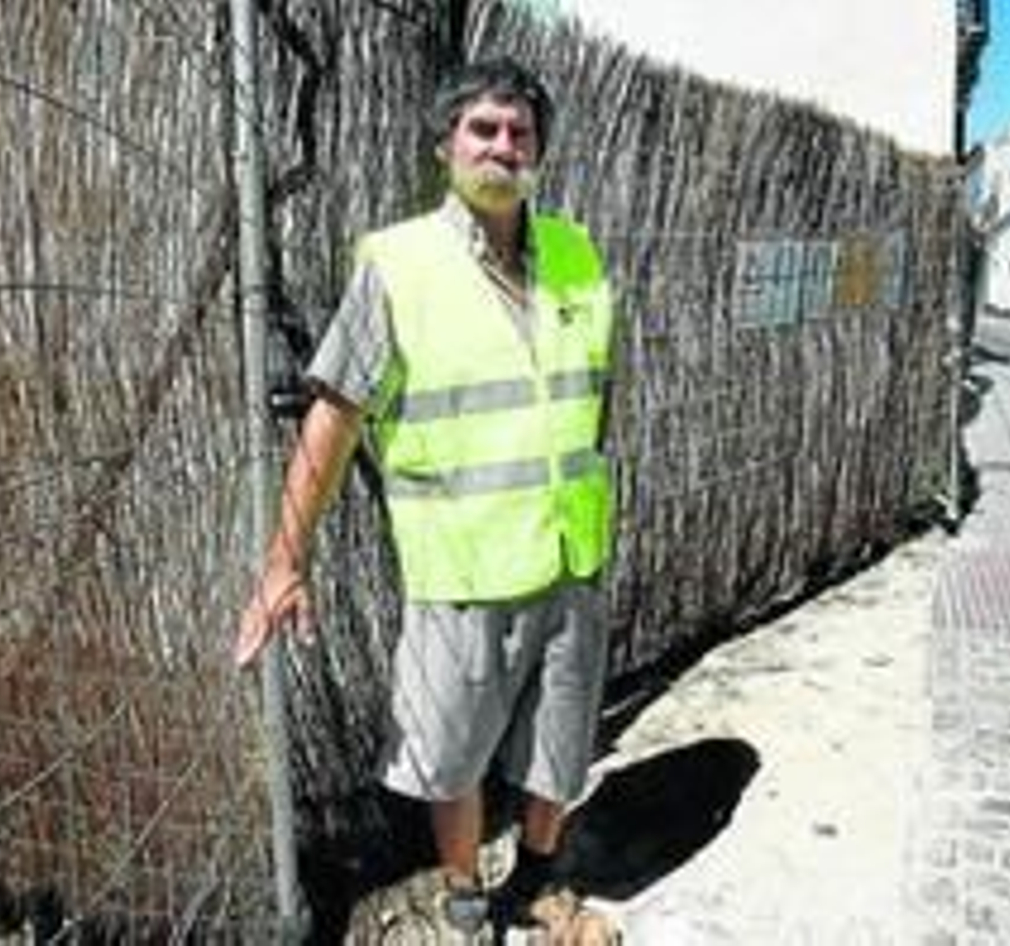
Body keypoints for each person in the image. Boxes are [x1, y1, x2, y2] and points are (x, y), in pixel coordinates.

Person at [235, 57, 619, 942]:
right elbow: (332, 418)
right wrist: (285, 562)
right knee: (452, 760)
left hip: (571, 553)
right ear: (446, 144)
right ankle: (462, 893)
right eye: (482, 129)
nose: (502, 145)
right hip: (462, 567)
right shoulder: (398, 265)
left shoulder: (576, 252)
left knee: (558, 746)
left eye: (519, 132)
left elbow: (596, 399)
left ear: (540, 153)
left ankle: (537, 883)